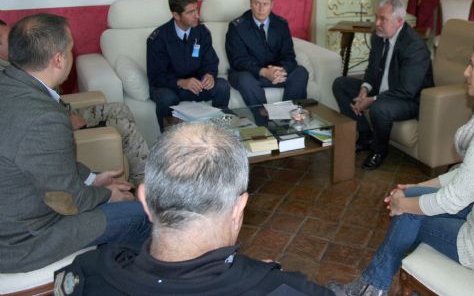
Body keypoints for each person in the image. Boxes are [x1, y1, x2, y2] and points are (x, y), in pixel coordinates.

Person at [328, 30, 474, 296]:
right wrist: (419, 186)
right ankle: (373, 287)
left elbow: (453, 200)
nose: (466, 73)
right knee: (411, 198)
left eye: (472, 65)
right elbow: (470, 176)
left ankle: (370, 288)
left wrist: (406, 204)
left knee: (410, 212)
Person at [56, 122, 333, 296]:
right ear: (239, 208)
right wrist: (257, 277)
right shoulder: (287, 288)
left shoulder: (85, 275)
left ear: (145, 200)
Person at [0, 14, 150, 273]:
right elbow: (67, 200)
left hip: (19, 213)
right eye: (70, 49)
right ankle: (129, 281)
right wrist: (107, 195)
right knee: (142, 216)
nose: (72, 55)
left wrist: (93, 179)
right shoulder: (44, 116)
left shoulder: (9, 85)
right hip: (24, 239)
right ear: (58, 59)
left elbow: (45, 163)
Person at [0, 19, 149, 184]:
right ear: (58, 59)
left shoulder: (18, 69)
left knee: (121, 109)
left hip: (62, 112)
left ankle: (141, 175)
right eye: (70, 50)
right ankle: (144, 183)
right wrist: (65, 120)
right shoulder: (16, 82)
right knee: (122, 125)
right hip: (59, 125)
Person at [332, 0, 432, 170]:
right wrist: (365, 89)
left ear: (399, 21)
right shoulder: (378, 36)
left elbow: (407, 90)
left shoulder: (414, 47)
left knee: (380, 107)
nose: (377, 23)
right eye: (376, 17)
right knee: (340, 84)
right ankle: (365, 136)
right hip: (384, 90)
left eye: (383, 19)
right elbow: (372, 69)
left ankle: (379, 151)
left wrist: (372, 100)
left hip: (410, 99)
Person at [147, 0, 230, 130]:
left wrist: (209, 75)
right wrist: (181, 82)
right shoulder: (158, 38)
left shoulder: (202, 32)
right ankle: (169, 142)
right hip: (171, 87)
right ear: (176, 15)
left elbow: (210, 61)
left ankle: (219, 132)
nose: (197, 15)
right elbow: (156, 76)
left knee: (222, 86)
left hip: (196, 84)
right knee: (166, 98)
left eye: (196, 10)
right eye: (190, 12)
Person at [225, 0, 308, 107]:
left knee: (300, 72)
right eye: (257, 3)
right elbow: (238, 61)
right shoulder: (237, 27)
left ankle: (288, 117)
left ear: (272, 4)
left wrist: (281, 70)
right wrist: (264, 72)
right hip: (251, 74)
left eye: (265, 4)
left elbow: (289, 55)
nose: (261, 8)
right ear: (250, 3)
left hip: (276, 74)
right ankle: (264, 121)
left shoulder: (281, 24)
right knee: (244, 79)